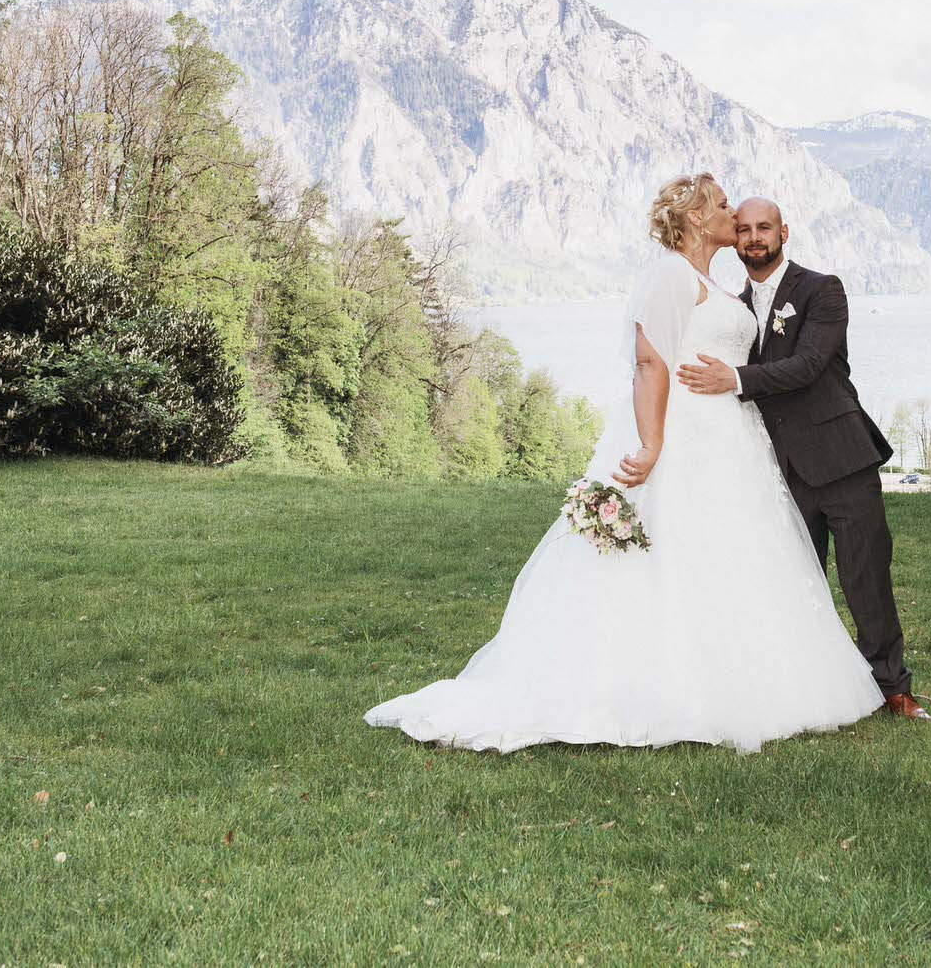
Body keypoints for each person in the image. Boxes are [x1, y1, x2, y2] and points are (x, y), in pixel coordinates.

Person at [363, 173, 886, 753]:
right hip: (687, 433)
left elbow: (781, 359)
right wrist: (653, 444)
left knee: (731, 557)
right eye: (721, 206)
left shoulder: (716, 282)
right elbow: (648, 364)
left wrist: (734, 380)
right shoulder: (670, 274)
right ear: (694, 219)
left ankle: (742, 677)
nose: (733, 215)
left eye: (746, 216)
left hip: (732, 438)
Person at [672, 197, 929, 721]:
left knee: (865, 577)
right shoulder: (734, 306)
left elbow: (809, 365)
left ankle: (892, 688)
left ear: (784, 231)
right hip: (775, 470)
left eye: (763, 227)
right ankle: (808, 688)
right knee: (794, 583)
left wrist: (736, 379)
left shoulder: (821, 290)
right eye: (742, 229)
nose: (752, 238)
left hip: (840, 459)